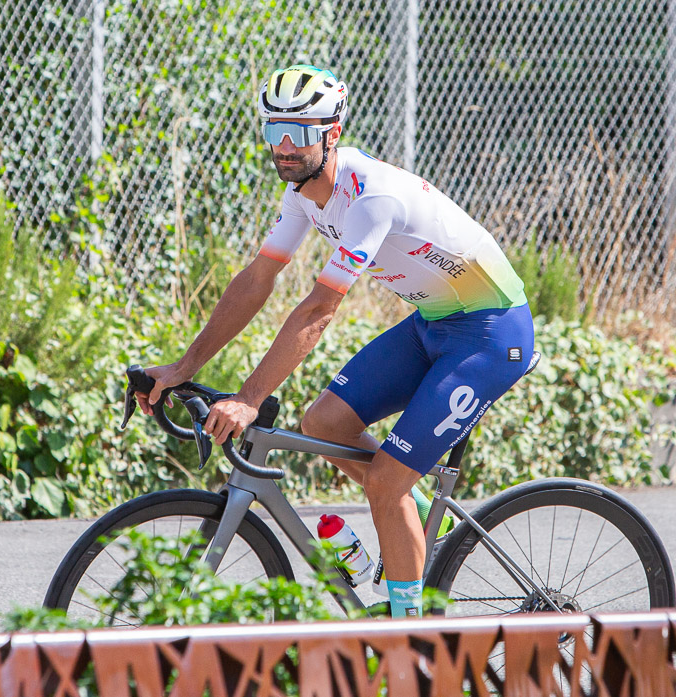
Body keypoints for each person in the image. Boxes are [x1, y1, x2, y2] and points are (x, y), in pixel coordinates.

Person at [137, 64, 534, 617]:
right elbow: (258, 279)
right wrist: (183, 366)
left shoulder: (371, 196)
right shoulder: (303, 193)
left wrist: (250, 399)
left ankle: (408, 640)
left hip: (492, 333)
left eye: (297, 133)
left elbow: (321, 308)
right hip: (434, 323)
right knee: (324, 423)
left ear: (332, 134)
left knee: (387, 483)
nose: (283, 147)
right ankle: (415, 517)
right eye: (273, 130)